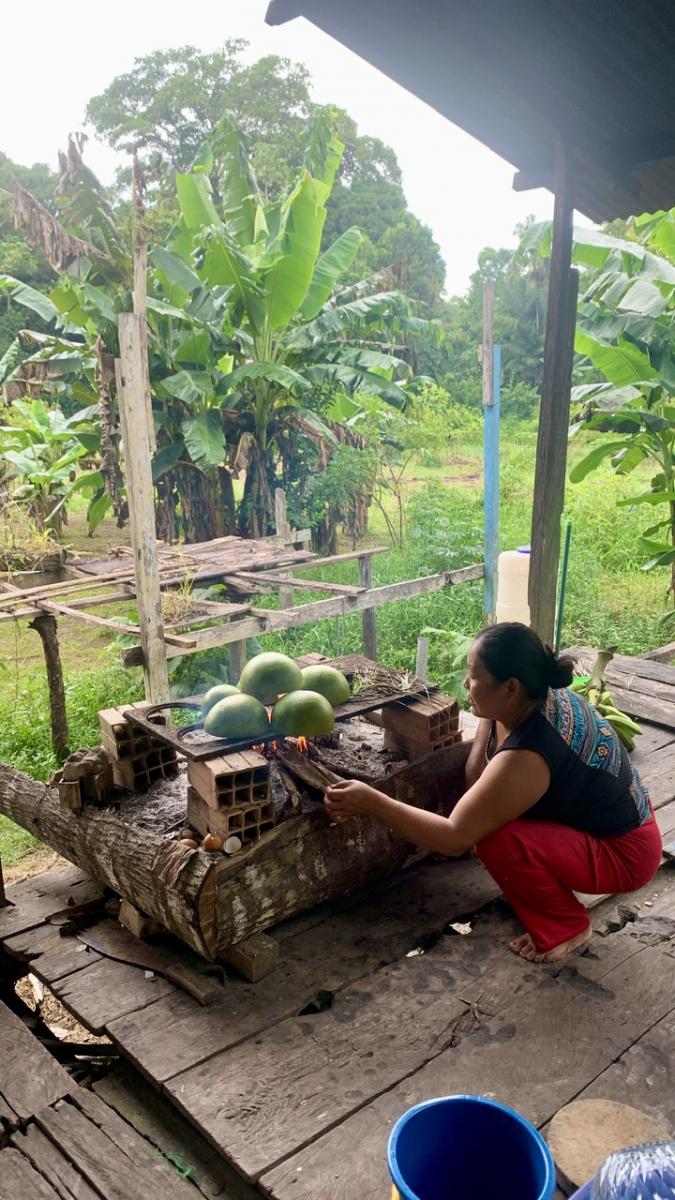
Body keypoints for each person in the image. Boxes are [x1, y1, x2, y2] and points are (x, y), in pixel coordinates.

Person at [324, 623, 662, 963]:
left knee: (496, 839)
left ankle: (566, 926)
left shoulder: (529, 753)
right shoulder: (531, 696)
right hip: (616, 822)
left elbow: (454, 839)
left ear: (510, 687)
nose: (465, 685)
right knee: (486, 824)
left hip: (625, 855)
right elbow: (478, 774)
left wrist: (373, 801)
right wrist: (483, 714)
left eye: (474, 677)